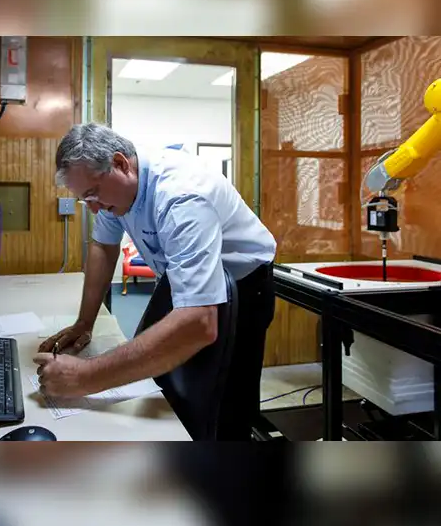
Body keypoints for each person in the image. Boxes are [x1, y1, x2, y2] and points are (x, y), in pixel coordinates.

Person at [33, 123, 277, 440]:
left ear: (120, 163)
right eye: (84, 199)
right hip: (180, 281)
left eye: (92, 195)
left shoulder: (183, 197)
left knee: (223, 405)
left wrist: (85, 377)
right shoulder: (111, 189)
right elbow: (104, 247)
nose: (93, 207)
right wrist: (84, 322)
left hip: (245, 285)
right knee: (163, 382)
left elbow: (201, 322)